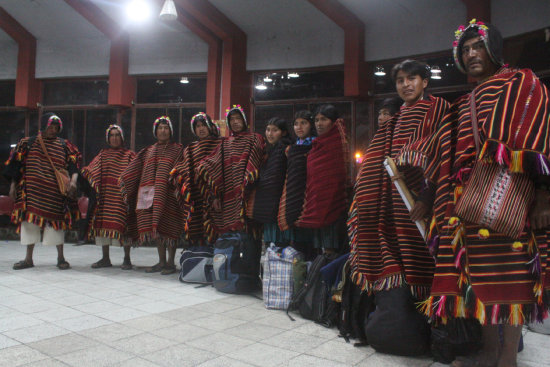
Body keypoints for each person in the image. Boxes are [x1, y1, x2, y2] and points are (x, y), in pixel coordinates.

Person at [399, 20, 550, 367]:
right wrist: (425, 197)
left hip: (510, 199)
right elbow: (444, 155)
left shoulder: (523, 84)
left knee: (512, 279)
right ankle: (487, 351)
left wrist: (544, 195)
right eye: (464, 49)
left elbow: (540, 141)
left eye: (477, 46)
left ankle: (508, 357)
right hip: (465, 206)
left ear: (494, 49)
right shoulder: (463, 104)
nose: (470, 54)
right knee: (478, 280)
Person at [348, 59, 450, 300]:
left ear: (424, 82)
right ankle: (407, 313)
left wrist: (426, 198)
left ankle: (434, 312)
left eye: (411, 79)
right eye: (400, 80)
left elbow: (443, 158)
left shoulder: (439, 111)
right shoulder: (395, 120)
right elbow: (378, 160)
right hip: (395, 202)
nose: (406, 85)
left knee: (428, 255)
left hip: (427, 202)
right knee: (400, 255)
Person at [4, 113, 81, 270]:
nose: (53, 130)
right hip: (31, 192)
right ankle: (28, 259)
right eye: (50, 126)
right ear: (43, 125)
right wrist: (13, 185)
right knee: (29, 224)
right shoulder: (28, 143)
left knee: (56, 225)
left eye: (56, 127)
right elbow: (16, 166)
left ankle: (61, 258)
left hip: (55, 193)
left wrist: (73, 182)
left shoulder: (65, 145)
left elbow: (74, 166)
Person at [119, 116, 184, 275]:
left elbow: (182, 168)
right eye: (160, 128)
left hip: (170, 195)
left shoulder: (178, 149)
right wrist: (123, 180)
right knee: (157, 228)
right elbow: (136, 168)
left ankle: (170, 263)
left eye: (166, 128)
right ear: (155, 131)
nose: (163, 130)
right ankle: (161, 261)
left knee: (171, 228)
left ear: (170, 131)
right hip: (151, 196)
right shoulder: (148, 151)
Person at [196, 105, 265, 237]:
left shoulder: (254, 138)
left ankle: (250, 257)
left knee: (250, 231)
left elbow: (256, 161)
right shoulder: (225, 144)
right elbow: (213, 165)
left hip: (250, 191)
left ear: (244, 120)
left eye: (238, 118)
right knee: (233, 234)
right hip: (229, 192)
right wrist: (214, 193)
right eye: (231, 119)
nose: (235, 122)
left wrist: (247, 180)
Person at [294, 104, 350, 254]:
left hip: (333, 207)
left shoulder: (337, 144)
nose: (319, 123)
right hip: (317, 204)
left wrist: (328, 202)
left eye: (323, 119)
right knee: (321, 250)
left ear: (333, 122)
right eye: (317, 120)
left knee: (332, 250)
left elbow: (336, 178)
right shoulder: (317, 145)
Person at [81, 124, 137, 270]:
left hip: (121, 199)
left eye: (117, 135)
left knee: (125, 226)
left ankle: (127, 258)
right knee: (102, 226)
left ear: (122, 137)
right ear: (108, 138)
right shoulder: (102, 155)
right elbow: (91, 170)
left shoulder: (129, 155)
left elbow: (136, 173)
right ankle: (105, 258)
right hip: (105, 198)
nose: (114, 138)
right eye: (111, 135)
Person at [170, 112, 221, 245]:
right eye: (197, 126)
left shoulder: (219, 145)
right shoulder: (190, 149)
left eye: (204, 125)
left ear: (210, 126)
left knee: (215, 227)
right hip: (196, 195)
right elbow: (185, 168)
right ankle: (200, 256)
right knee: (197, 226)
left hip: (216, 195)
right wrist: (176, 174)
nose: (201, 128)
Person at [247, 117, 293, 246]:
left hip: (277, 205)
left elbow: (275, 179)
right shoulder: (272, 150)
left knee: (277, 245)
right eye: (268, 130)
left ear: (283, 132)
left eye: (275, 130)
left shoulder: (282, 149)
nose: (270, 134)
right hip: (271, 205)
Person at [278, 110, 317, 259]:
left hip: (310, 197)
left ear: (310, 125)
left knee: (310, 244)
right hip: (293, 195)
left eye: (304, 123)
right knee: (297, 246)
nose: (299, 127)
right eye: (296, 124)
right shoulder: (292, 148)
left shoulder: (316, 145)